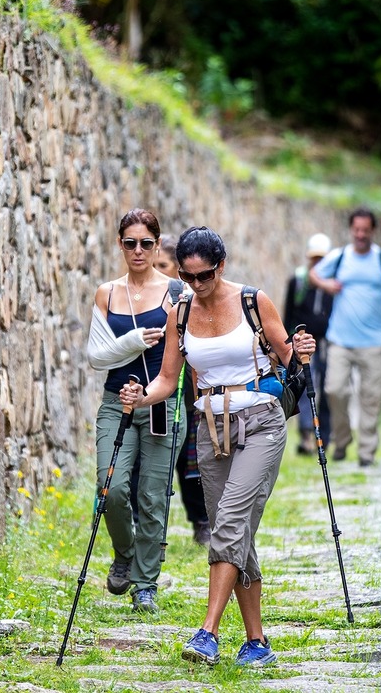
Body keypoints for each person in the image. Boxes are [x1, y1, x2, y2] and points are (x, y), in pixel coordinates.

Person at [119, 227, 316, 668]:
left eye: (203, 276)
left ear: (220, 266)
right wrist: (140, 397)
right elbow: (169, 380)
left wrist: (302, 349)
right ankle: (257, 642)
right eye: (188, 278)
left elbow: (289, 357)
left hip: (262, 421)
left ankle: (207, 633)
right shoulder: (180, 313)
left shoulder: (253, 301)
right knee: (237, 532)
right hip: (211, 428)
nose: (196, 285)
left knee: (227, 522)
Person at [85, 208, 183, 612]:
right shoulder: (107, 293)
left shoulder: (177, 293)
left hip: (161, 404)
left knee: (153, 495)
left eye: (146, 243)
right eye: (130, 243)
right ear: (120, 244)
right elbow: (96, 356)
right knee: (112, 490)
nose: (138, 250)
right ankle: (125, 554)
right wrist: (135, 341)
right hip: (116, 403)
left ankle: (145, 583)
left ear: (158, 245)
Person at [310, 207, 381, 467]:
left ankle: (366, 452)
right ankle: (341, 439)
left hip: (374, 341)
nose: (361, 235)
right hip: (340, 339)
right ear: (351, 230)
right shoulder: (339, 257)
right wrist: (327, 284)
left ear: (373, 231)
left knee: (372, 397)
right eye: (357, 230)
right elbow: (313, 274)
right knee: (333, 389)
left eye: (365, 230)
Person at [154, 234, 210, 546]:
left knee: (191, 464)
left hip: (186, 393)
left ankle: (201, 521)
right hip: (157, 391)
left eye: (164, 265)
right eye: (155, 264)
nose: (157, 269)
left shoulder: (188, 301)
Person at [284, 232, 334, 454]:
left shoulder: (334, 284)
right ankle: (307, 437)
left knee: (330, 388)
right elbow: (288, 315)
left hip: (329, 343)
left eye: (322, 258)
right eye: (315, 258)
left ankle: (325, 437)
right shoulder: (298, 282)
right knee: (306, 388)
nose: (318, 262)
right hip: (304, 344)